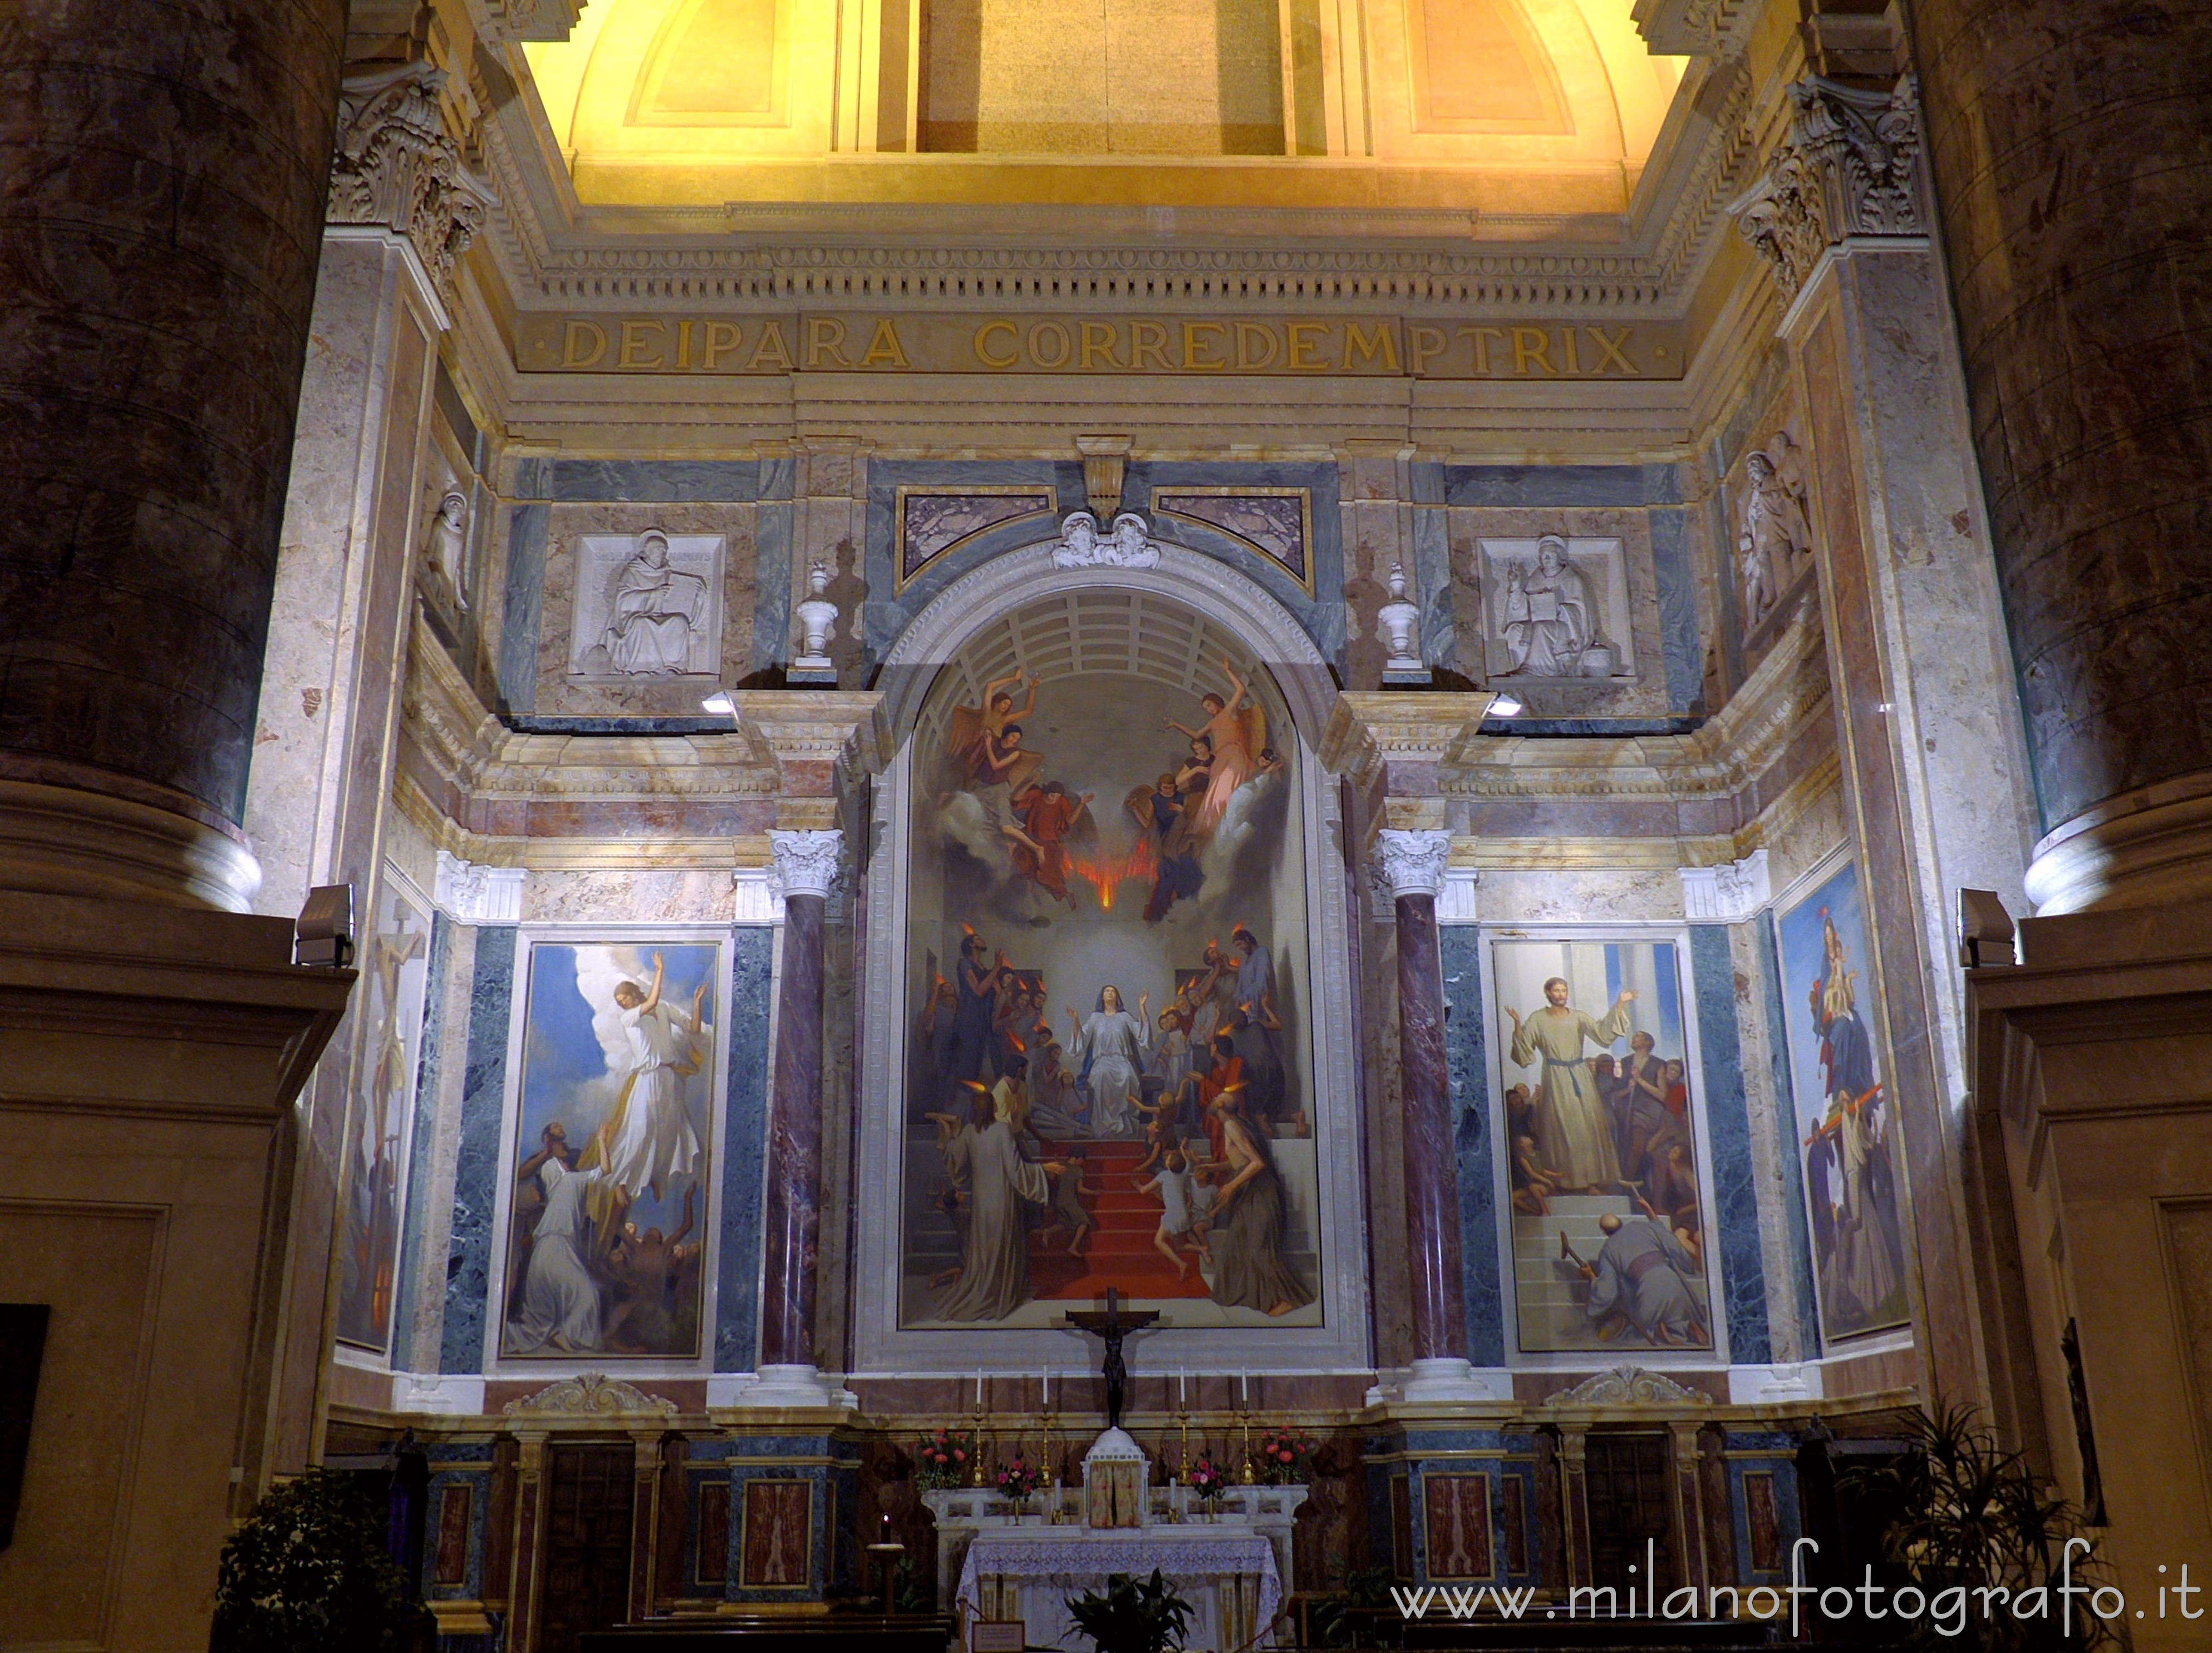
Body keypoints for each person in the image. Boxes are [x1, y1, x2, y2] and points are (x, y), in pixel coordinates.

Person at [580, 952, 709, 1238]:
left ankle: (657, 1178)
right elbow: (649, 1003)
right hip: (648, 1079)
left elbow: (694, 1028)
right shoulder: (630, 1019)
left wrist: (698, 1004)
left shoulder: (662, 1009)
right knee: (640, 1130)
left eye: (625, 997)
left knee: (670, 1132)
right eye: (619, 1001)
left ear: (633, 992)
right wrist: (660, 970)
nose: (622, 1003)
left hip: (670, 1078)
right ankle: (621, 1180)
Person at [936, 1083, 1063, 1321]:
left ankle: (988, 1291)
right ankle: (1002, 1295)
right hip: (1002, 1198)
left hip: (982, 1200)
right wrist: (1043, 1169)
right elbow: (1015, 1170)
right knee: (1003, 1243)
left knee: (987, 1247)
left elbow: (958, 1166)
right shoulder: (1002, 1131)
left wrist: (950, 1135)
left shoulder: (969, 1133)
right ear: (993, 1108)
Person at [1505, 976, 1636, 1191]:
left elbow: (1602, 1034)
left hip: (1580, 1075)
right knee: (1564, 1128)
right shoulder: (1538, 1019)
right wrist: (1518, 1025)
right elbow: (1524, 1051)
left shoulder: (1578, 1017)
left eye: (1563, 991)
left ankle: (1597, 1179)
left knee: (1589, 1127)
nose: (1560, 995)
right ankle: (1570, 1182)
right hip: (1555, 1078)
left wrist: (1621, 1004)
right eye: (1556, 991)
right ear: (1548, 994)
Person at [1206, 1088, 1313, 1316]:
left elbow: (1257, 1163)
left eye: (1217, 1098)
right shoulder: (1235, 1124)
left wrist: (1231, 1186)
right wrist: (1212, 1167)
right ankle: (1253, 1297)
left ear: (1222, 1108)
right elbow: (1239, 1163)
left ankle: (1290, 1299)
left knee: (1259, 1249)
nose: (1214, 1098)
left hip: (1260, 1193)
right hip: (1250, 1193)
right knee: (1237, 1245)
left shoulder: (1232, 1126)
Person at [509, 1125, 609, 1353]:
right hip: (553, 1241)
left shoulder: (573, 1175)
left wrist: (601, 1140)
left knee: (565, 1296)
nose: (561, 1128)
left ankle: (565, 1335)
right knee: (586, 1293)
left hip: (557, 1243)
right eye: (555, 1128)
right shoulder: (550, 1169)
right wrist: (547, 1151)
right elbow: (524, 1172)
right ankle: (569, 1335)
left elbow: (603, 1170)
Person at [1166, 660, 1267, 839]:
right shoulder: (1213, 723)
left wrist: (1228, 671)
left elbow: (1241, 691)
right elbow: (1196, 734)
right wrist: (1176, 725)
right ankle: (1212, 827)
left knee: (1227, 790)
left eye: (1210, 705)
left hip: (1234, 755)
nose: (1209, 710)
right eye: (1206, 709)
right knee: (1214, 795)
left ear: (1217, 702)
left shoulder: (1229, 712)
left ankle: (1228, 820)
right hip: (1221, 759)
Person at [1576, 1212, 1707, 1346]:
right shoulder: (1643, 1227)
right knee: (1676, 1318)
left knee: (1635, 1336)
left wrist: (1591, 1276)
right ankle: (1687, 1326)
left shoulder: (1607, 1250)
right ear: (1621, 1222)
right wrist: (1687, 1264)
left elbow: (1607, 1291)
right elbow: (1671, 1243)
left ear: (1603, 1231)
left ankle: (1660, 1329)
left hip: (1648, 1291)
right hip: (1674, 1282)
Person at [599, 529, 707, 675]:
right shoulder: (632, 572)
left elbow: (681, 599)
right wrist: (651, 595)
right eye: (658, 549)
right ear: (646, 551)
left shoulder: (668, 573)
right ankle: (640, 668)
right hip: (635, 617)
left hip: (661, 615)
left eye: (664, 550)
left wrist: (699, 596)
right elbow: (622, 600)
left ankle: (673, 667)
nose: (662, 552)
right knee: (643, 624)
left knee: (679, 622)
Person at [1228, 924, 1295, 1134]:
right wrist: (1240, 1000)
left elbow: (1262, 981)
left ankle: (1265, 1112)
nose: (1241, 949)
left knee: (1265, 1059)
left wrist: (1248, 999)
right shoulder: (1247, 960)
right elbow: (1240, 988)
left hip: (1258, 1010)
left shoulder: (1261, 953)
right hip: (1248, 1012)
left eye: (1241, 944)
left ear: (1248, 939)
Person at [1500, 535, 1592, 678]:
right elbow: (1521, 609)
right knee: (1515, 631)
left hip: (1564, 628)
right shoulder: (1535, 580)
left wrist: (1559, 609)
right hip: (1536, 623)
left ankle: (1539, 671)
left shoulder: (1572, 579)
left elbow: (1580, 612)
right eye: (1543, 557)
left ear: (1560, 557)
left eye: (1550, 555)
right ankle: (1521, 670)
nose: (1547, 559)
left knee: (1541, 628)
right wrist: (1516, 586)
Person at [1066, 985, 1152, 1138]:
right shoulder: (1095, 1018)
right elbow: (1082, 1038)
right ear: (1102, 997)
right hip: (1103, 1060)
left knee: (1127, 1076)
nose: (1110, 993)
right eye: (1107, 991)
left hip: (1122, 1060)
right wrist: (1075, 1020)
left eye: (1113, 991)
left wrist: (1142, 1006)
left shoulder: (1124, 1017)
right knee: (1100, 1076)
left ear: (1117, 997)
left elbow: (1141, 1032)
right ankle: (1105, 1125)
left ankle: (1123, 1123)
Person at [945, 668, 1037, 789]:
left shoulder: (1004, 720)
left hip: (990, 755)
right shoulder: (987, 712)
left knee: (977, 779)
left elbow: (1028, 711)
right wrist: (1014, 679)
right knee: (965, 773)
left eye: (1008, 705)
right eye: (1004, 703)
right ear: (997, 702)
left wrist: (1032, 689)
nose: (1006, 706)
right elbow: (990, 686)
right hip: (976, 749)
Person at [1008, 781, 1091, 905]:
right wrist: (1031, 781)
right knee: (1023, 868)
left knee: (1048, 874)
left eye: (1057, 797)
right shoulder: (1037, 795)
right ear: (1046, 792)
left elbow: (1071, 820)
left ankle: (1062, 897)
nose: (1054, 799)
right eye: (1052, 796)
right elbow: (1016, 799)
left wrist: (1081, 804)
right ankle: (1026, 899)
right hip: (1030, 838)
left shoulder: (1062, 802)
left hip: (1049, 842)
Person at [950, 932, 1010, 1086]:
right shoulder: (965, 963)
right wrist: (997, 967)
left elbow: (990, 1001)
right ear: (971, 944)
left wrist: (997, 994)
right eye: (978, 939)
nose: (982, 940)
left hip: (983, 1020)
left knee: (987, 1060)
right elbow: (978, 991)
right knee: (968, 1062)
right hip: (969, 1018)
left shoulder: (983, 968)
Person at [1136, 1149, 1203, 1281]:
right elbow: (1188, 1162)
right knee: (1178, 1246)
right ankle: (1201, 1249)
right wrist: (1184, 1149)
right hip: (1184, 1214)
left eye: (1168, 1159)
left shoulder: (1164, 1175)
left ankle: (1181, 1264)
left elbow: (1144, 1191)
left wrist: (1137, 1185)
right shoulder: (1184, 1174)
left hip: (1172, 1215)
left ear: (1169, 1164)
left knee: (1158, 1241)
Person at [1044, 1148, 1096, 1259]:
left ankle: (1048, 1232)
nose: (1083, 1163)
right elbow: (1080, 1189)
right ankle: (1073, 1247)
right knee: (1084, 1222)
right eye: (1083, 1160)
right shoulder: (1078, 1170)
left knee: (1065, 1224)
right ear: (1079, 1158)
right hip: (1070, 1202)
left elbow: (1051, 1178)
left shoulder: (1060, 1166)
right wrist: (1094, 1192)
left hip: (1058, 1201)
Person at [1510, 1134, 1563, 1217]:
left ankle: (1545, 1211)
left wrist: (1556, 1175)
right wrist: (1547, 1181)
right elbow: (1532, 1173)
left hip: (1542, 1186)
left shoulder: (1538, 1154)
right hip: (1534, 1184)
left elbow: (1542, 1171)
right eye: (1525, 1139)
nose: (1528, 1138)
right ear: (1522, 1145)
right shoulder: (1523, 1158)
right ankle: (1536, 1212)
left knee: (1533, 1187)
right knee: (1513, 1197)